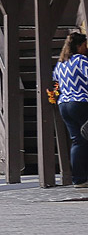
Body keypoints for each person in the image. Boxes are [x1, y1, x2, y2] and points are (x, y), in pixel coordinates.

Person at [53, 30, 88, 188]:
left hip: (64, 104)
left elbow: (56, 83)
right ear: (79, 45)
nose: (86, 48)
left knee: (78, 141)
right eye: (85, 45)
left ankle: (79, 179)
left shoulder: (61, 63)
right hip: (80, 102)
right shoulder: (81, 60)